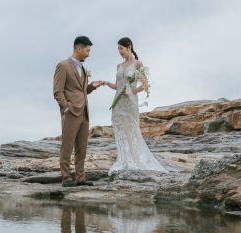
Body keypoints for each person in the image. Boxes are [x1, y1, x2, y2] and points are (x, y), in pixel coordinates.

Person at [104, 37, 167, 175]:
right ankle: (125, 160)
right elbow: (117, 86)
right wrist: (107, 84)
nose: (119, 51)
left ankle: (135, 160)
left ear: (129, 47)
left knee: (132, 130)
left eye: (121, 48)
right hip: (118, 103)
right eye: (118, 49)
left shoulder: (138, 64)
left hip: (130, 102)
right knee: (120, 129)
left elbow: (145, 85)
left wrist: (131, 91)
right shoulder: (118, 66)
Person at [53, 36, 106, 187]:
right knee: (67, 146)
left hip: (84, 112)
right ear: (79, 49)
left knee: (82, 147)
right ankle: (66, 178)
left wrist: (92, 86)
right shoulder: (63, 66)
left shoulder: (83, 68)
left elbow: (82, 91)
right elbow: (57, 91)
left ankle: (80, 178)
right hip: (70, 112)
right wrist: (66, 107)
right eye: (87, 51)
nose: (88, 54)